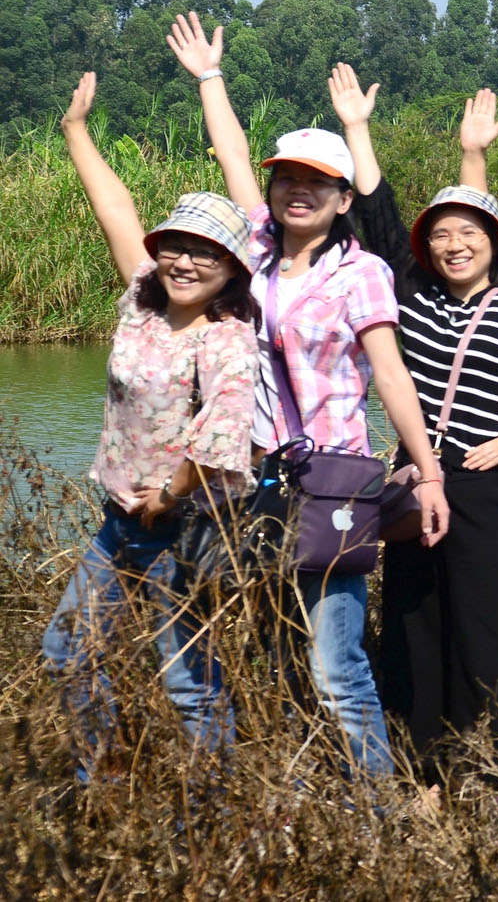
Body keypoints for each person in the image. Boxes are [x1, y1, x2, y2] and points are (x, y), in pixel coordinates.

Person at [169, 24, 447, 780]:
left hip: (332, 482)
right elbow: (230, 157)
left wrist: (426, 471)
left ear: (342, 195)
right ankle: (294, 791)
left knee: (336, 663)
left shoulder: (363, 275)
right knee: (269, 642)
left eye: (315, 181)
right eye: (286, 177)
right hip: (251, 476)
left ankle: (380, 814)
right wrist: (209, 78)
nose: (297, 190)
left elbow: (391, 378)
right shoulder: (253, 246)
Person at [338, 85, 498, 773]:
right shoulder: (411, 292)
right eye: (443, 235)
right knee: (413, 627)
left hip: (489, 488)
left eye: (471, 235)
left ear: (495, 247)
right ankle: (427, 769)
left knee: (492, 632)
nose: (454, 245)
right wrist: (358, 129)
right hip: (416, 480)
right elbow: (378, 215)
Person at [41, 72, 260, 777]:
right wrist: (76, 131)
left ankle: (213, 817)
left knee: (187, 680)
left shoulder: (226, 339)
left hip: (183, 527)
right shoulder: (142, 303)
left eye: (207, 253)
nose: (186, 260)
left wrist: (166, 498)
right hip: (120, 520)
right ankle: (100, 784)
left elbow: (221, 435)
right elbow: (115, 208)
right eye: (176, 245)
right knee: (67, 650)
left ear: (230, 271)